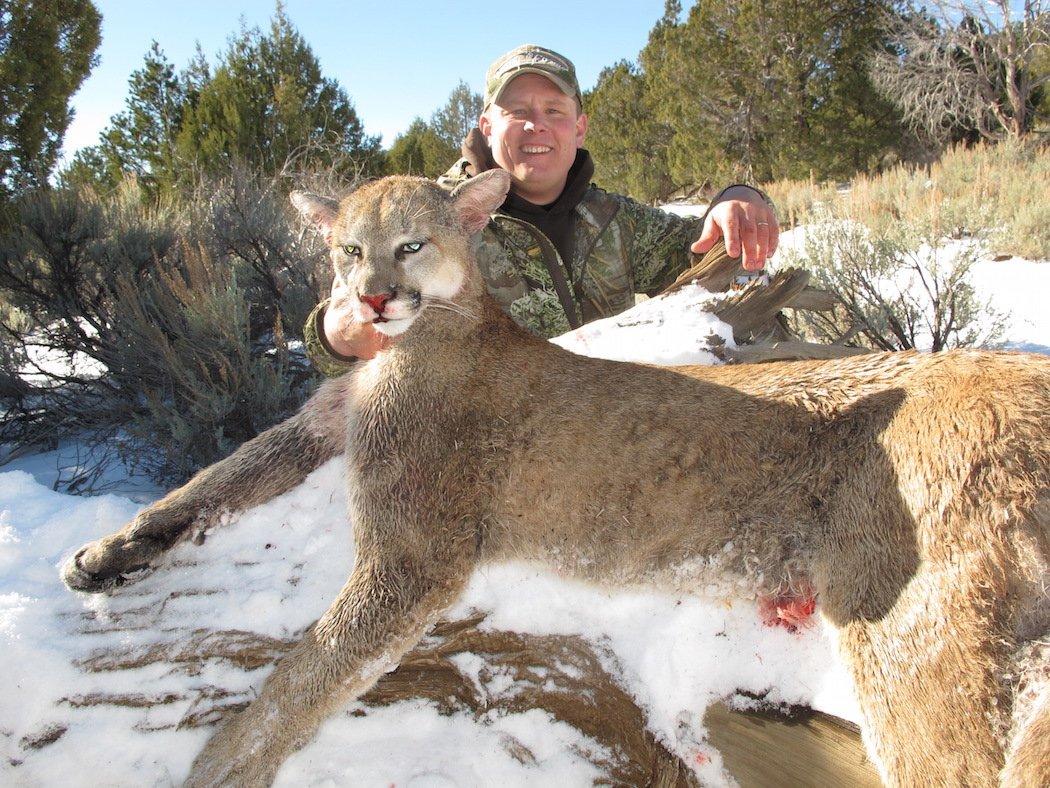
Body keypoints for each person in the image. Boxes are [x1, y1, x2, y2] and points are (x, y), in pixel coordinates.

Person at [304, 44, 779, 376]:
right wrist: (337, 336)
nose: (537, 127)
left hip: (603, 430)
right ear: (487, 125)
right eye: (517, 111)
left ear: (580, 127)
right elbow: (336, 337)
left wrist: (738, 199)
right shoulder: (425, 216)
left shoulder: (615, 218)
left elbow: (704, 254)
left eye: (554, 111)